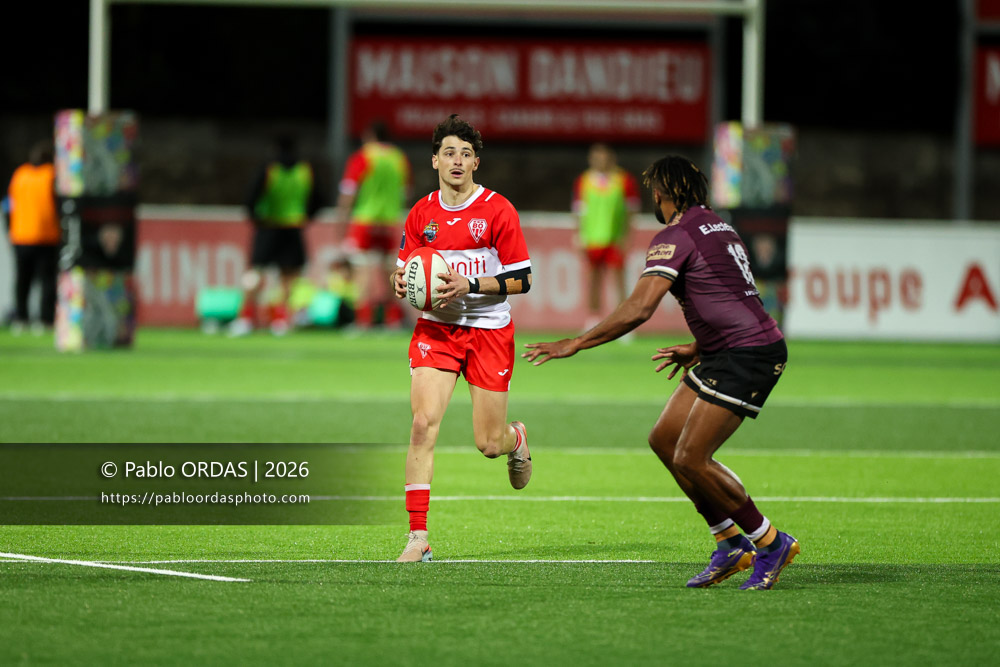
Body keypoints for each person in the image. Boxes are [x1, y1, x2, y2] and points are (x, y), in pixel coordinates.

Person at [523, 155, 798, 590]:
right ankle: (730, 544)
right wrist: (698, 345)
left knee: (691, 455)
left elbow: (639, 308)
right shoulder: (719, 227)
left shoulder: (676, 234)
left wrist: (576, 341)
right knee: (665, 440)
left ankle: (769, 542)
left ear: (662, 193)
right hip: (726, 348)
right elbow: (732, 294)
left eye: (655, 189)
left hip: (746, 354)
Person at [390, 114, 533, 562]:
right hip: (437, 329)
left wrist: (469, 286)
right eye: (449, 152)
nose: (457, 161)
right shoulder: (421, 213)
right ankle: (418, 538)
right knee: (421, 424)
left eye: (466, 154)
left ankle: (516, 439)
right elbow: (406, 270)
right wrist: (400, 284)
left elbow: (523, 280)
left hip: (489, 330)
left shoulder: (497, 210)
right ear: (435, 160)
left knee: (488, 444)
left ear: (475, 163)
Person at [230, 134, 321, 336]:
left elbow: (251, 197)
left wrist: (256, 219)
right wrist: (306, 216)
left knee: (256, 273)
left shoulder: (269, 169)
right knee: (288, 278)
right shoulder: (304, 171)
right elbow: (317, 198)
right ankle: (280, 321)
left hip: (268, 226)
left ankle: (244, 319)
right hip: (293, 226)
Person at [336, 120, 412, 329]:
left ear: (369, 135)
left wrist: (342, 220)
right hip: (389, 220)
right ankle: (393, 320)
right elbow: (406, 192)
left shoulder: (363, 156)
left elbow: (349, 191)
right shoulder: (399, 158)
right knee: (390, 270)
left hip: (365, 219)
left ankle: (363, 320)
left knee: (363, 270)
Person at [572, 143, 639, 330]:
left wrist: (627, 236)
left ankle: (622, 323)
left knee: (619, 281)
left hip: (615, 238)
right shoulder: (583, 181)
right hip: (593, 238)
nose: (600, 161)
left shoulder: (624, 179)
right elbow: (579, 210)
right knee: (593, 280)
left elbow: (631, 210)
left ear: (611, 158)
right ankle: (593, 318)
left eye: (604, 157)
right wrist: (579, 235)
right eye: (596, 157)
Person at [6, 140, 60, 335]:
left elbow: (9, 204)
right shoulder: (51, 175)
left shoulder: (20, 174)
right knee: (46, 281)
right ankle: (45, 320)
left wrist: (9, 230)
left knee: (22, 280)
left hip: (21, 236)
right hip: (46, 236)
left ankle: (21, 318)